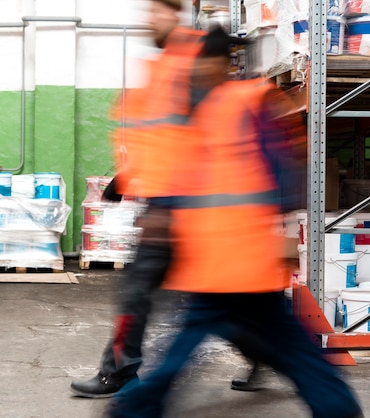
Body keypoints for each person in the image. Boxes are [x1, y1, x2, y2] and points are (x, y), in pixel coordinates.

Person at [104, 27, 363, 418]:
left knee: (208, 344)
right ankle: (337, 408)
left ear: (222, 64)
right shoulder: (214, 109)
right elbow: (191, 179)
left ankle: (136, 409)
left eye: (204, 62)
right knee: (281, 346)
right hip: (223, 260)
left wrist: (285, 245)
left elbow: (282, 178)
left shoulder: (242, 103)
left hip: (235, 259)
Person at [69, 0, 206, 398]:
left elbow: (201, 137)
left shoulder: (194, 61)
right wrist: (126, 177)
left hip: (189, 206)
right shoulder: (161, 66)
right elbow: (158, 137)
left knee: (223, 298)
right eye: (147, 13)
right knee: (139, 292)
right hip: (163, 203)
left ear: (175, 13)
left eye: (157, 12)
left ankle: (267, 351)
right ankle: (120, 370)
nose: (150, 20)